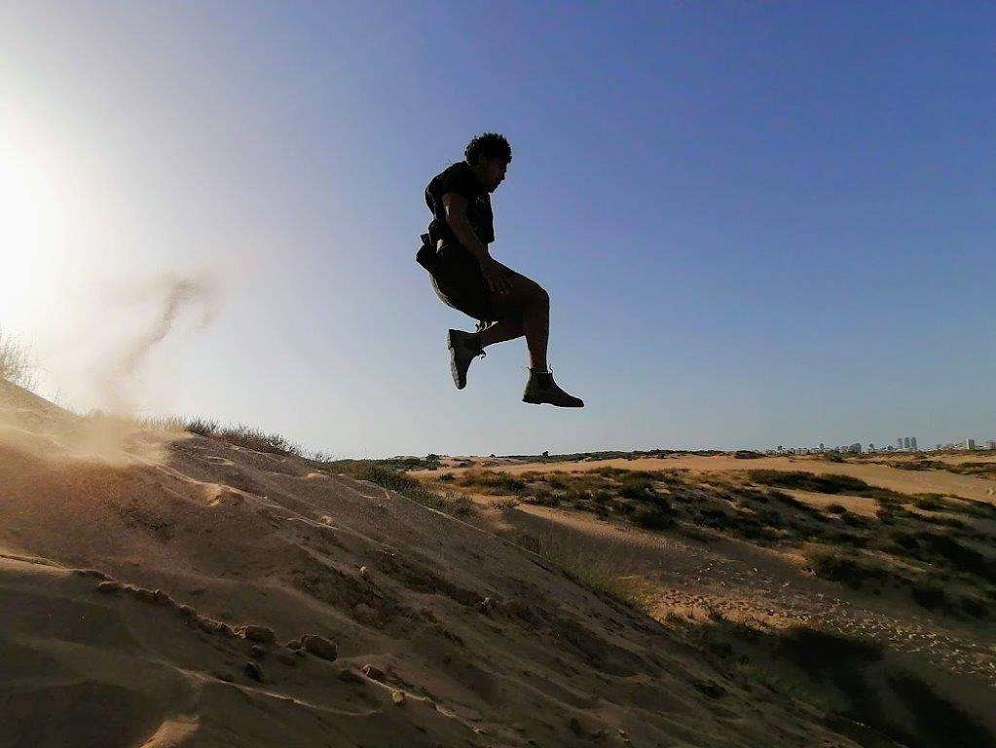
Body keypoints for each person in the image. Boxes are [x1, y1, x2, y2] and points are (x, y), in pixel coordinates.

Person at [418, 133, 584, 408]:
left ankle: (470, 343)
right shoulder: (461, 176)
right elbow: (454, 217)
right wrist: (485, 263)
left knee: (531, 316)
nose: (503, 176)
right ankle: (540, 382)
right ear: (482, 160)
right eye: (501, 167)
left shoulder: (480, 196)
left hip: (461, 273)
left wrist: (487, 287)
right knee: (538, 297)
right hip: (454, 265)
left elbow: (475, 238)